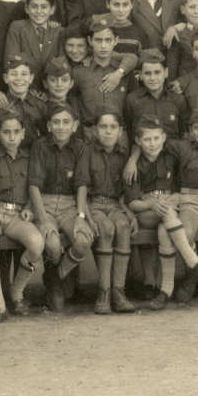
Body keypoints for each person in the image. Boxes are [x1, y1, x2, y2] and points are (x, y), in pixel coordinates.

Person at [133, 109, 198, 303]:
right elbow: (150, 141)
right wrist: (133, 159)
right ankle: (192, 277)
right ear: (190, 130)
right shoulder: (181, 147)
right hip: (189, 199)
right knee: (187, 233)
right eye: (197, 128)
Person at [119, 114, 198, 309]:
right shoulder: (134, 166)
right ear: (138, 141)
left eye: (156, 138)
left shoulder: (170, 157)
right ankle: (194, 263)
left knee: (165, 231)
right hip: (145, 212)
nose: (152, 143)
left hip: (167, 210)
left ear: (164, 137)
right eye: (147, 139)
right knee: (168, 215)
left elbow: (180, 188)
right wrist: (151, 204)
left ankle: (165, 292)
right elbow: (132, 203)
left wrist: (175, 198)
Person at [0, 107, 46, 323]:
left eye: (16, 132)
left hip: (17, 215)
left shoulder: (29, 157)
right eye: (6, 132)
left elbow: (34, 187)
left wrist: (30, 207)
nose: (11, 137)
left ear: (23, 134)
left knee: (36, 243)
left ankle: (16, 293)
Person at [27, 103, 94, 312]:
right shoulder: (40, 145)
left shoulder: (81, 147)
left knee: (83, 240)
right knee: (53, 245)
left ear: (75, 126)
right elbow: (34, 185)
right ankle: (54, 280)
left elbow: (81, 184)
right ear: (49, 125)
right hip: (45, 203)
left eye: (66, 122)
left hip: (69, 205)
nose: (61, 127)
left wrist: (80, 216)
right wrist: (43, 219)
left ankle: (55, 276)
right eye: (56, 122)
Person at [75, 110, 139, 314]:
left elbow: (125, 193)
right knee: (105, 228)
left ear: (120, 131)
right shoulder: (87, 152)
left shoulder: (124, 154)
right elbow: (82, 185)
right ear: (95, 130)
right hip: (94, 204)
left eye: (113, 127)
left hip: (115, 205)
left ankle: (118, 292)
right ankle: (103, 292)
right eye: (103, 127)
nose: (108, 131)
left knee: (123, 226)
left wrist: (129, 213)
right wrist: (85, 215)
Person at [72, 16, 133, 129]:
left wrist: (119, 73)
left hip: (118, 131)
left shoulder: (125, 71)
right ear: (90, 41)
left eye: (108, 40)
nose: (103, 46)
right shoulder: (79, 72)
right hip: (89, 132)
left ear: (116, 41)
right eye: (98, 40)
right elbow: (73, 101)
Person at [5, 0, 65, 87]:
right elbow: (12, 61)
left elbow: (61, 65)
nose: (39, 11)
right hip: (23, 87)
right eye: (34, 6)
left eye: (44, 7)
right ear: (26, 8)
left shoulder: (59, 32)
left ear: (52, 10)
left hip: (51, 88)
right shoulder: (17, 28)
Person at [125, 49, 189, 140]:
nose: (152, 78)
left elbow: (184, 134)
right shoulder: (132, 100)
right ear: (141, 75)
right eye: (147, 73)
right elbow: (129, 133)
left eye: (157, 72)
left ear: (166, 73)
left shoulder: (178, 100)